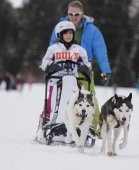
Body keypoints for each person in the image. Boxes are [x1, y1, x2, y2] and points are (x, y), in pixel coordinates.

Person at [49, 0, 111, 136]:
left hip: (83, 68)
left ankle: (96, 127)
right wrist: (50, 64)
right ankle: (53, 121)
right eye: (70, 14)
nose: (73, 17)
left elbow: (100, 51)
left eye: (76, 14)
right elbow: (52, 47)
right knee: (59, 95)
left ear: (82, 14)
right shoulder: (60, 27)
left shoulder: (92, 30)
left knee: (89, 98)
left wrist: (105, 70)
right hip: (61, 68)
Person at [36, 20, 91, 141]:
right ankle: (44, 125)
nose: (68, 35)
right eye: (65, 33)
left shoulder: (80, 50)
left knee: (76, 104)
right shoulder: (53, 48)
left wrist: (84, 67)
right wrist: (52, 65)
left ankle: (77, 124)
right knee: (50, 105)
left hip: (73, 82)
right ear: (60, 35)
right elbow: (44, 63)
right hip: (55, 82)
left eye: (70, 32)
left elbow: (87, 64)